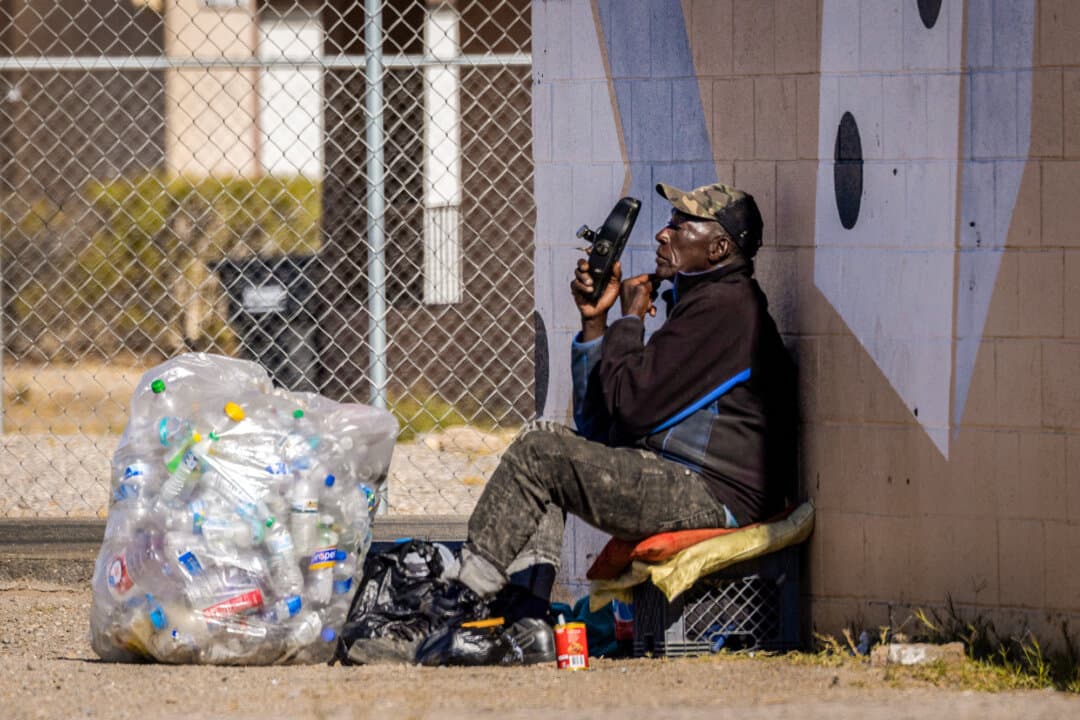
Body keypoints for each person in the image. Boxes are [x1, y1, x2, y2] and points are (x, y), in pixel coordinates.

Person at [426, 181, 798, 656]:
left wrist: (629, 322)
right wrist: (595, 323)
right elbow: (603, 426)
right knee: (543, 442)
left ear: (719, 247)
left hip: (708, 493)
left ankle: (457, 605)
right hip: (676, 475)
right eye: (669, 223)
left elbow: (631, 406)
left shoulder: (729, 309)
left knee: (541, 454)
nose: (665, 235)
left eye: (682, 226)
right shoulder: (702, 303)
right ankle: (524, 620)